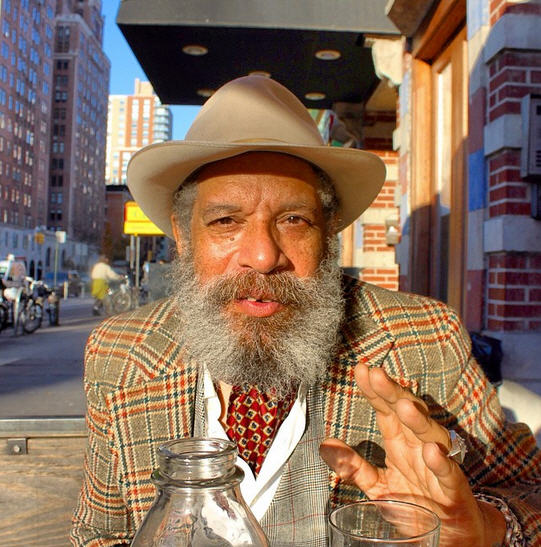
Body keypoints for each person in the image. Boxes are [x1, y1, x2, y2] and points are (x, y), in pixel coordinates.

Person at [71, 76, 541, 546]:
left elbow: (529, 492)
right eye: (226, 221)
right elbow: (98, 533)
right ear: (183, 233)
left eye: (294, 220)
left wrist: (483, 527)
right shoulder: (120, 354)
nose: (263, 256)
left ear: (329, 232)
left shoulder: (425, 340)